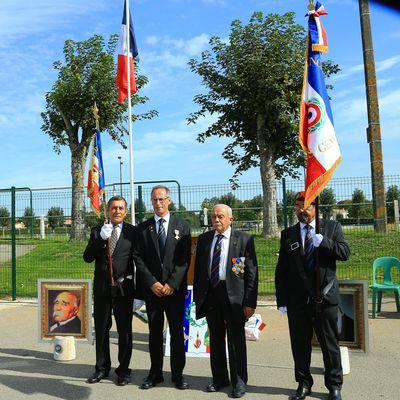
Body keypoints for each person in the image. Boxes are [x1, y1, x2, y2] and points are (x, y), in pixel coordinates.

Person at [275, 191, 350, 400]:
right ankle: (303, 383)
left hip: (324, 298)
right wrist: (281, 300)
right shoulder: (287, 234)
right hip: (297, 300)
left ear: (316, 207)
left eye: (307, 205)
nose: (302, 210)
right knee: (300, 345)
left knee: (330, 345)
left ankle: (334, 386)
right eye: (299, 206)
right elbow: (281, 270)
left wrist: (324, 242)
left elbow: (344, 253)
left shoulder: (331, 228)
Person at [193, 204, 258, 399]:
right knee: (216, 339)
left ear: (231, 219)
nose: (216, 220)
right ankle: (220, 378)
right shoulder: (205, 239)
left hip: (234, 297)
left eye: (220, 216)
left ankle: (239, 381)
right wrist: (199, 298)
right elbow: (198, 272)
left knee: (236, 341)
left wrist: (249, 302)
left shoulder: (243, 240)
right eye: (213, 217)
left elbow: (251, 273)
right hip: (212, 294)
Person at [134, 185, 191, 390]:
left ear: (169, 200)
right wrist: (153, 283)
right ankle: (155, 373)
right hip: (153, 291)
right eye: (154, 200)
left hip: (174, 292)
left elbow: (184, 260)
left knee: (176, 333)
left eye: (161, 199)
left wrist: (171, 284)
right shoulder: (143, 228)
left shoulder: (182, 226)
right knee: (155, 333)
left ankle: (177, 375)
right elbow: (138, 258)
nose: (158, 203)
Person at [83, 196, 137, 386]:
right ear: (108, 210)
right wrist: (101, 239)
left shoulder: (132, 232)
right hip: (102, 289)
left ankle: (123, 371)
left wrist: (139, 292)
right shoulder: (98, 230)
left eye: (121, 208)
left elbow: (139, 260)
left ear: (126, 211)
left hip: (124, 289)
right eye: (114, 208)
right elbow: (87, 257)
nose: (117, 211)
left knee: (124, 331)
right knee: (102, 329)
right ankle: (102, 368)